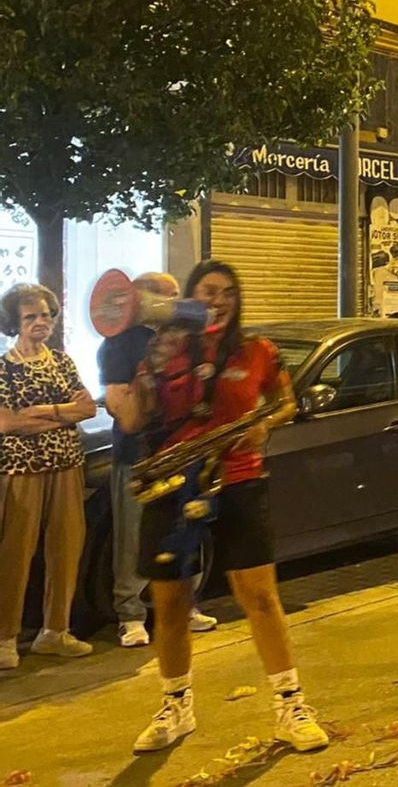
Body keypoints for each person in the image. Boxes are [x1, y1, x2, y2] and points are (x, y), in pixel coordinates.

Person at [127, 261, 324, 753]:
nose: (218, 300)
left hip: (239, 479)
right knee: (169, 604)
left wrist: (264, 426)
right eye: (208, 291)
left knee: (259, 596)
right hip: (174, 482)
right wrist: (134, 371)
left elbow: (286, 402)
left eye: (228, 293)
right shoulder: (162, 351)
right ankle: (176, 707)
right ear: (189, 297)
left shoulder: (258, 349)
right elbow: (138, 417)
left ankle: (290, 705)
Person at [100, 273, 217, 648]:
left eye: (176, 296)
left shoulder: (188, 340)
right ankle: (130, 614)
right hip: (138, 456)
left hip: (183, 450)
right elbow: (122, 408)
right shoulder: (119, 344)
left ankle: (187, 605)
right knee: (134, 536)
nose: (175, 304)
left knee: (187, 529)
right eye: (166, 297)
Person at [0, 284, 97, 671]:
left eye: (46, 315)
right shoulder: (3, 366)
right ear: (15, 323)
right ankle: (6, 637)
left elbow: (88, 407)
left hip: (67, 465)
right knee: (15, 553)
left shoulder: (61, 361)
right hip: (20, 471)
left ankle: (55, 631)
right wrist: (63, 413)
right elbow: (7, 423)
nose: (41, 323)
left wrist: (42, 411)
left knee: (66, 546)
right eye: (31, 317)